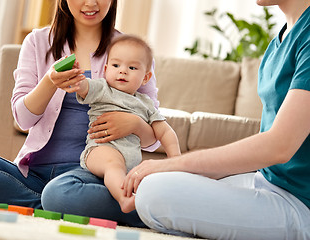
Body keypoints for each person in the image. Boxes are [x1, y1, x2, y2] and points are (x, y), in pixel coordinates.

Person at [0, 0, 160, 227]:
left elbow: (154, 138)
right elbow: (23, 119)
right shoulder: (37, 42)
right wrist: (49, 82)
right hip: (33, 174)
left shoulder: (133, 52)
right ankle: (53, 205)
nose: (91, 3)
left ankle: (62, 202)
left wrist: (134, 124)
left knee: (62, 193)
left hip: (89, 177)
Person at [123, 0, 310, 239]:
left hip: (298, 203)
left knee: (153, 193)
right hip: (263, 181)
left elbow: (280, 146)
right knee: (161, 183)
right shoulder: (280, 40)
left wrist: (168, 164)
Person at [69, 35, 180, 214]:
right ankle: (124, 200)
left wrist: (175, 159)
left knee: (147, 180)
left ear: (146, 77)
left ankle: (147, 203)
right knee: (114, 164)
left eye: (132, 67)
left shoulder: (145, 104)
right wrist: (76, 77)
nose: (123, 71)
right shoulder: (103, 89)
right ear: (105, 69)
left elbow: (165, 131)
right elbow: (83, 86)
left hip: (131, 165)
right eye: (116, 65)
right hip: (100, 150)